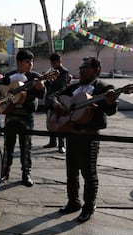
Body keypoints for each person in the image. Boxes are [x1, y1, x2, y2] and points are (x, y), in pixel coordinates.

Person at [49, 57, 119, 222]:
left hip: (89, 136)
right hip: (72, 134)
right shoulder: (73, 87)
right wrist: (56, 105)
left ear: (97, 70)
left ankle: (89, 207)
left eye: (85, 68)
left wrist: (110, 102)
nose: (81, 71)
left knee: (89, 173)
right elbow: (52, 96)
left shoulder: (103, 88)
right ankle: (73, 202)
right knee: (71, 172)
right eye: (80, 68)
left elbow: (110, 111)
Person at [0, 49, 46, 187]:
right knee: (8, 146)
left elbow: (41, 95)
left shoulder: (35, 77)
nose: (30, 64)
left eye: (32, 62)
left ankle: (26, 173)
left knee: (26, 146)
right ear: (19, 62)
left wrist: (41, 88)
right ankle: (5, 172)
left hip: (26, 117)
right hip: (11, 115)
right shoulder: (10, 75)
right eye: (27, 61)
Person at [44, 52, 69, 154]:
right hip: (50, 98)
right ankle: (52, 141)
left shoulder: (64, 71)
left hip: (60, 98)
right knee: (50, 121)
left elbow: (62, 85)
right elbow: (46, 83)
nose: (53, 65)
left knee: (60, 121)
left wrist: (52, 80)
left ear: (59, 62)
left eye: (54, 63)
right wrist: (47, 79)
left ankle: (61, 145)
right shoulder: (51, 71)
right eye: (51, 63)